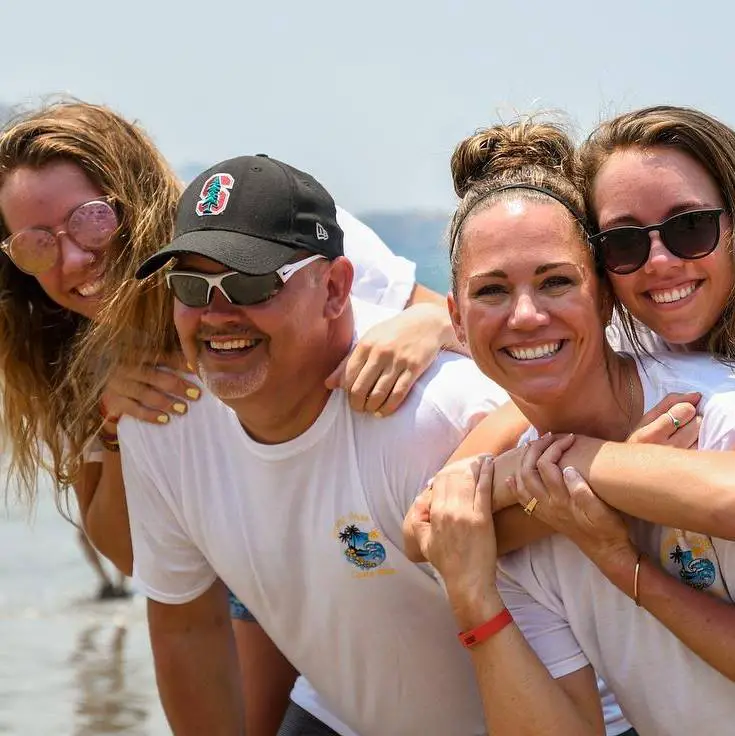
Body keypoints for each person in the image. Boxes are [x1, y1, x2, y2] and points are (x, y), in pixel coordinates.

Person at [0, 100, 467, 735]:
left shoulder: (268, 231)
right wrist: (112, 423)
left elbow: (468, 332)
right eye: (34, 245)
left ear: (133, 197)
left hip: (340, 525)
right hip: (236, 553)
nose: (74, 259)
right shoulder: (64, 354)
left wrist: (430, 321)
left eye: (91, 221)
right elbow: (136, 556)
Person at [100, 153, 511, 735]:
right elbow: (185, 624)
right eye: (192, 285)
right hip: (340, 712)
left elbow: (570, 640)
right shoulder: (162, 421)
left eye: (249, 282)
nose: (217, 315)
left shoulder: (436, 414)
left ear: (337, 287)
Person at [412, 119, 735, 734]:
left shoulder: (703, 414)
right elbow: (418, 526)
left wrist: (592, 482)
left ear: (605, 297)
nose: (527, 316)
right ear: (454, 319)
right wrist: (475, 601)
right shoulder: (518, 517)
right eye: (491, 291)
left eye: (557, 281)